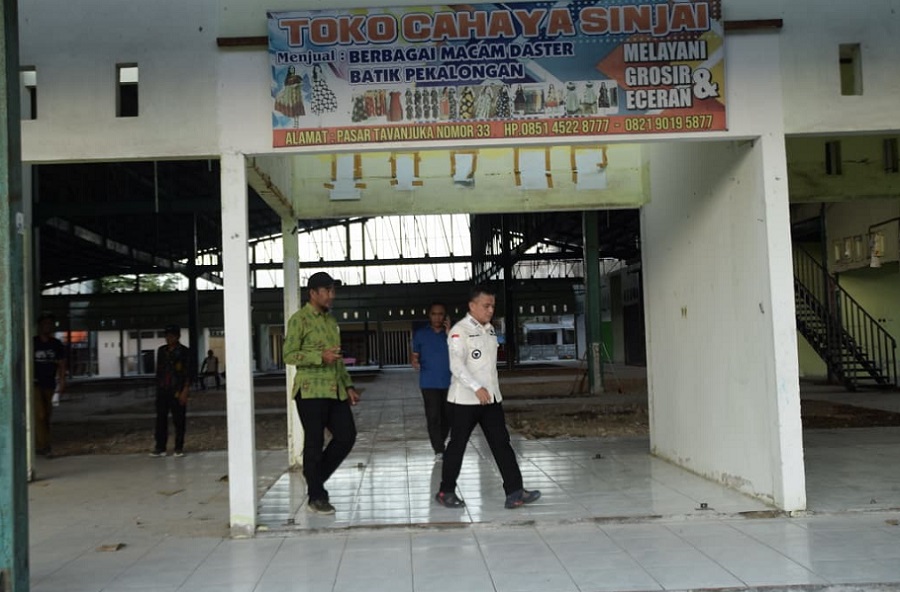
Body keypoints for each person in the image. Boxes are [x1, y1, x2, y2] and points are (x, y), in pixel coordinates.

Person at [435, 284, 541, 510]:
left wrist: (490, 392)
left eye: (492, 305)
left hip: (490, 400)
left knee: (502, 444)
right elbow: (457, 365)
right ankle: (446, 491)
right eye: (486, 305)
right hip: (464, 401)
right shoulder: (459, 331)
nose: (490, 309)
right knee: (457, 446)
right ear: (472, 306)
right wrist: (476, 387)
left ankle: (514, 491)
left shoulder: (490, 330)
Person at [283, 272, 360, 515]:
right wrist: (318, 357)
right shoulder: (300, 320)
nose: (331, 295)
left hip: (334, 390)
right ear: (313, 293)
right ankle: (317, 495)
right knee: (314, 442)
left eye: (333, 291)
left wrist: (347, 385)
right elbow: (288, 355)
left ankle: (314, 479)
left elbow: (336, 360)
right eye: (326, 290)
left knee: (346, 436)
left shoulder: (331, 321)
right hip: (310, 390)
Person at [411, 303, 452, 461]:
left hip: (449, 382)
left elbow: (461, 352)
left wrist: (449, 334)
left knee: (447, 416)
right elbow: (415, 355)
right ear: (429, 315)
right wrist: (415, 362)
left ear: (445, 316)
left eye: (441, 314)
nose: (437, 317)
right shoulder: (421, 334)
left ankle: (440, 443)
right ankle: (438, 450)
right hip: (428, 382)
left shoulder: (453, 334)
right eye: (434, 314)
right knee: (433, 416)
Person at [151, 325, 191, 457]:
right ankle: (160, 447)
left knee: (179, 420)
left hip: (177, 390)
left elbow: (188, 372)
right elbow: (159, 370)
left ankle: (178, 447)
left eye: (171, 336)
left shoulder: (185, 352)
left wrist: (185, 390)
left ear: (178, 337)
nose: (168, 338)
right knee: (160, 419)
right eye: (167, 336)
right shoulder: (162, 351)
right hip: (163, 389)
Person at [33, 312, 66, 457]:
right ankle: (43, 446)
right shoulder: (32, 343)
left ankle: (44, 442)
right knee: (39, 414)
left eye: (50, 324)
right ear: (39, 326)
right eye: (45, 324)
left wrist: (62, 382)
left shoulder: (56, 344)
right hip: (34, 384)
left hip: (50, 383)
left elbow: (62, 365)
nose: (47, 327)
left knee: (46, 416)